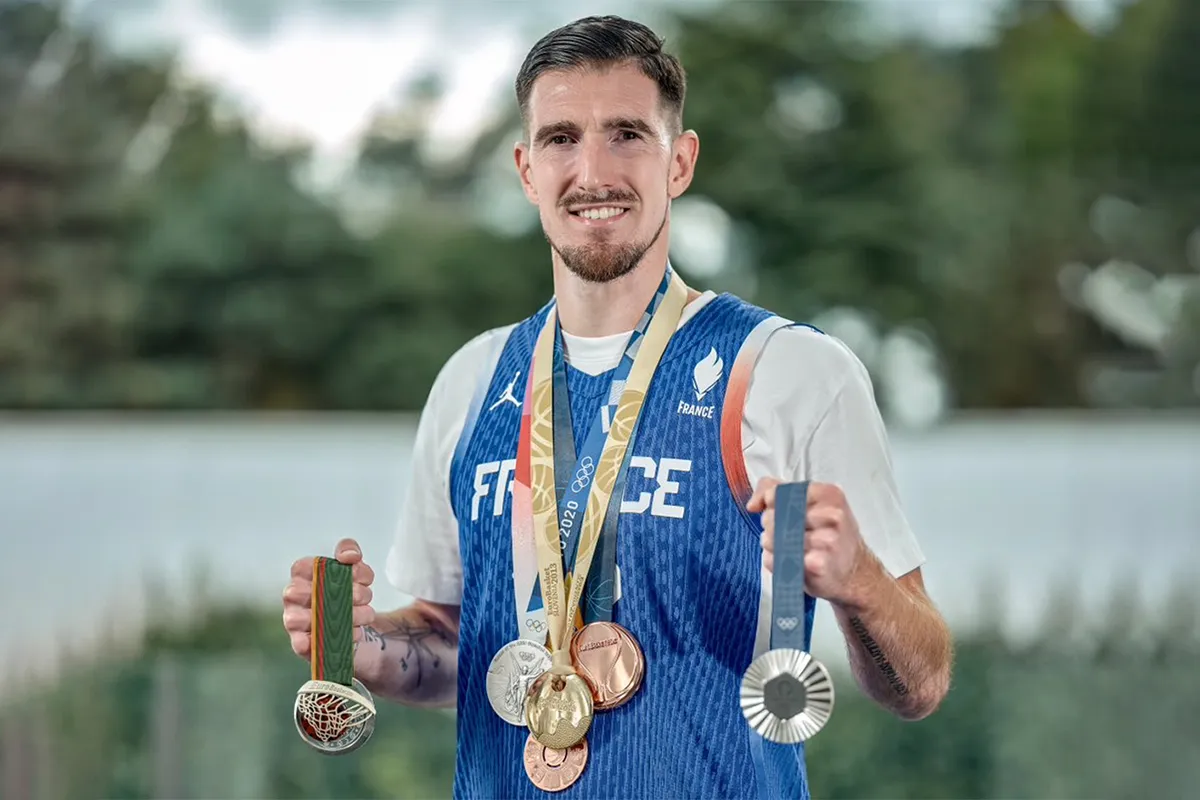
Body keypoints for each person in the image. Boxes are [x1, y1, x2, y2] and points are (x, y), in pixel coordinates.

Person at [282, 14, 953, 799]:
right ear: (527, 169)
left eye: (628, 134)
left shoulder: (788, 371)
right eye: (562, 137)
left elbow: (923, 682)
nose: (593, 170)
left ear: (681, 162)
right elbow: (456, 651)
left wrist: (863, 583)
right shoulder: (473, 380)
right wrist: (365, 648)